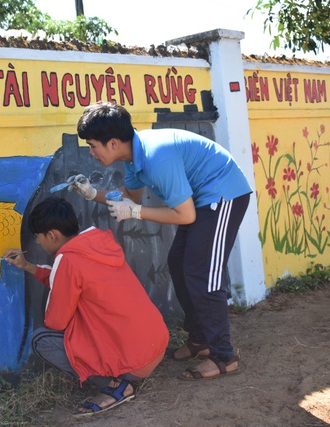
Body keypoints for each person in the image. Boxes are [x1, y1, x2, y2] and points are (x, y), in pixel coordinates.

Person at [68, 102, 253, 381]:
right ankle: (201, 340)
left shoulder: (156, 157)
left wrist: (135, 213)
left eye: (94, 146)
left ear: (114, 142)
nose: (92, 153)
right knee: (179, 264)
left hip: (223, 194)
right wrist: (93, 193)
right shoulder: (134, 158)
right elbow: (132, 196)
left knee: (203, 272)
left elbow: (184, 214)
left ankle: (224, 356)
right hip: (202, 200)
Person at [3, 196, 169, 415]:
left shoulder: (68, 259)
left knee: (41, 340)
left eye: (38, 237)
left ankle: (115, 386)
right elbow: (69, 278)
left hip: (133, 364)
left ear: (52, 235)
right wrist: (29, 267)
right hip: (155, 347)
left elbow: (56, 321)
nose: (38, 243)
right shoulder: (97, 243)